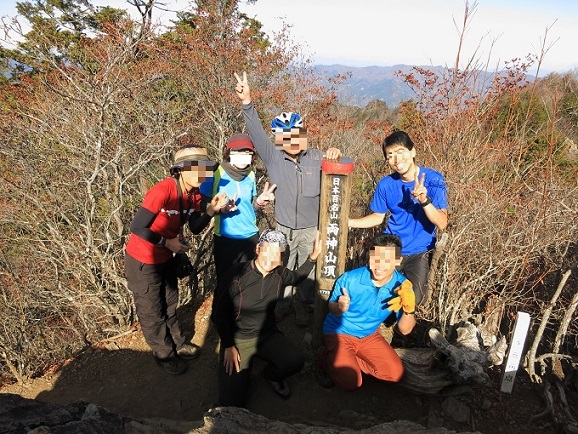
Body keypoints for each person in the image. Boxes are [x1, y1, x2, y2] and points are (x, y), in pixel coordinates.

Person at [234, 71, 342, 327]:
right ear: (278, 139)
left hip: (309, 229)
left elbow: (336, 173)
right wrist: (247, 101)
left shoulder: (318, 158)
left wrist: (335, 154)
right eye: (286, 135)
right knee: (282, 268)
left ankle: (304, 306)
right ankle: (281, 305)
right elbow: (256, 131)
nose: (293, 139)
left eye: (297, 132)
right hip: (282, 226)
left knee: (308, 269)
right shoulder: (273, 157)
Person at [124, 144, 228, 375]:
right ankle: (164, 355)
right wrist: (166, 243)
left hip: (166, 257)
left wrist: (211, 210)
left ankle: (178, 344)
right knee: (152, 310)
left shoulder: (194, 194)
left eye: (205, 168)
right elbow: (137, 226)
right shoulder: (163, 191)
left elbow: (195, 227)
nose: (202, 174)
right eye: (196, 168)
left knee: (170, 303)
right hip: (142, 260)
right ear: (180, 170)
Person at [211, 229, 322, 407]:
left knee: (294, 361)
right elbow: (219, 314)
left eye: (277, 253)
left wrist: (313, 257)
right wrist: (228, 345)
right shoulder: (236, 276)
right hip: (238, 340)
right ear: (257, 249)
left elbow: (296, 277)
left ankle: (270, 375)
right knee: (231, 403)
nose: (271, 257)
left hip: (266, 335)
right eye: (267, 250)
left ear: (282, 257)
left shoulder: (279, 274)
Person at [348, 130, 448, 305]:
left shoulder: (433, 179)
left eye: (400, 152)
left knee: (414, 301)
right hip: (389, 245)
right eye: (390, 155)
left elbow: (442, 222)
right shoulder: (386, 184)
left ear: (413, 152)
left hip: (419, 250)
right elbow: (378, 217)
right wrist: (348, 222)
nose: (396, 160)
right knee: (371, 294)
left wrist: (424, 201)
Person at [318, 234, 416, 391]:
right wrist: (341, 307)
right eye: (375, 257)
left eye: (387, 259)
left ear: (398, 261)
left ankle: (349, 360)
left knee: (395, 374)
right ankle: (325, 357)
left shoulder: (402, 286)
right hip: (340, 333)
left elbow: (405, 329)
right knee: (351, 383)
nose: (379, 265)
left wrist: (409, 309)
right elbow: (332, 308)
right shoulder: (351, 279)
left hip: (369, 335)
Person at [199, 133, 276, 278]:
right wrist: (220, 210)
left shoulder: (251, 175)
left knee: (249, 282)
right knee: (225, 284)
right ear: (229, 153)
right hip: (226, 238)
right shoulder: (215, 174)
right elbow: (202, 204)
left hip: (251, 237)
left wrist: (259, 202)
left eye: (247, 152)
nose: (243, 156)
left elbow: (250, 205)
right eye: (237, 152)